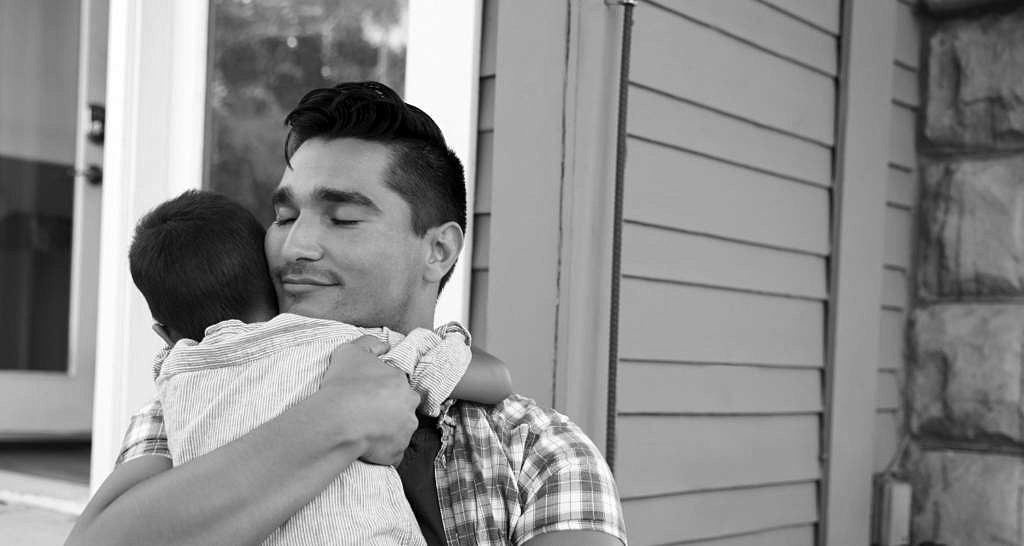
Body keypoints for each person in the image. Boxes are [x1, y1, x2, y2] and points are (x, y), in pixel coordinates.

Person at [66, 81, 626, 546]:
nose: (294, 247)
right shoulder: (195, 389)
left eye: (343, 218)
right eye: (285, 217)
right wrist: (337, 419)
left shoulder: (536, 450)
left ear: (439, 250)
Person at [125, 189, 512, 545]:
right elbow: (481, 377)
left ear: (163, 333)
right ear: (270, 276)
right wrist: (456, 343)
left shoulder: (173, 380)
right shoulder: (337, 343)